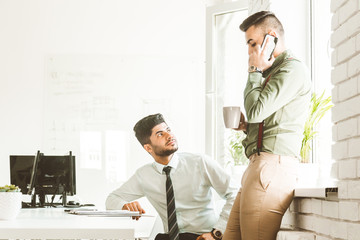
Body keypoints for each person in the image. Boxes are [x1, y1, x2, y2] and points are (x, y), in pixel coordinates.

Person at [222, 11, 311, 240]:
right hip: (258, 166)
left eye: (253, 43)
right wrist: (247, 127)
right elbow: (263, 118)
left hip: (273, 166)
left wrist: (253, 70)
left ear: (271, 36)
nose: (250, 51)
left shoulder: (292, 69)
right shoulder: (270, 72)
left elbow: (255, 111)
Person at [106, 113, 237, 240]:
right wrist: (125, 206)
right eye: (160, 134)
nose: (169, 136)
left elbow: (234, 194)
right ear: (148, 148)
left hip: (205, 236)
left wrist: (217, 233)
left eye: (168, 129)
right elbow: (112, 199)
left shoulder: (200, 163)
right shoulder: (143, 175)